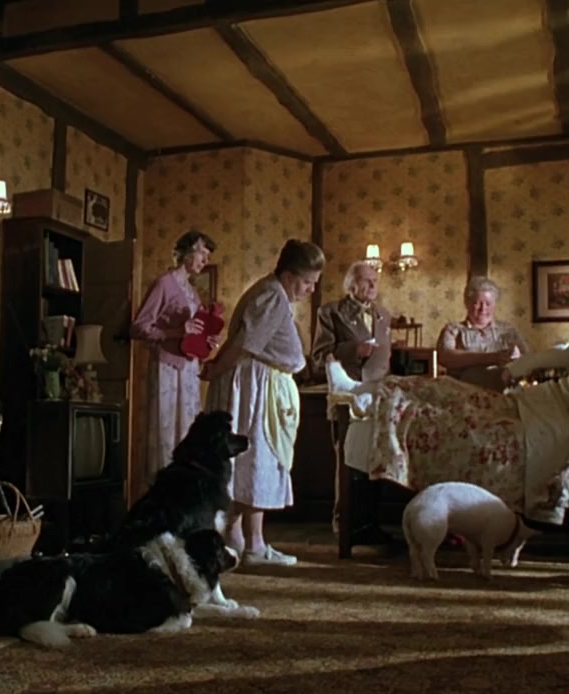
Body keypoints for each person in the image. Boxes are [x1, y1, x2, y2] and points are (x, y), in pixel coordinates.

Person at [326, 292, 569, 525]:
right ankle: (359, 392)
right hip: (525, 401)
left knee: (447, 419)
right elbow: (555, 355)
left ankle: (364, 399)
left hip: (543, 425)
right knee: (441, 387)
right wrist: (513, 370)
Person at [202, 239, 326, 566]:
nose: (311, 289)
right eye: (308, 282)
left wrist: (218, 366)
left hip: (259, 382)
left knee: (253, 459)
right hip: (255, 388)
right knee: (256, 456)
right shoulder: (271, 296)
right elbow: (244, 344)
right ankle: (250, 543)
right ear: (288, 276)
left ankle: (240, 540)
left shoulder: (273, 293)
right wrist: (217, 368)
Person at [130, 230, 218, 482]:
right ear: (186, 252)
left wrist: (205, 341)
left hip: (189, 370)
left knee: (188, 431)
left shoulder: (192, 291)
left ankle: (185, 489)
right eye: (202, 253)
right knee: (166, 430)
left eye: (208, 255)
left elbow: (192, 334)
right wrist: (177, 331)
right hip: (167, 368)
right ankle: (164, 489)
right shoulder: (164, 283)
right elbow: (138, 328)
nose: (205, 260)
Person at [436, 277, 530, 390]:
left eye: (488, 304)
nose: (483, 308)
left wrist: (515, 358)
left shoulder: (508, 330)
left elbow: (527, 359)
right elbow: (445, 357)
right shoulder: (453, 330)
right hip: (464, 391)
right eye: (477, 303)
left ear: (495, 305)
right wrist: (493, 357)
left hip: (504, 391)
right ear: (467, 303)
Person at [311, 261, 392, 382]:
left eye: (375, 281)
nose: (372, 285)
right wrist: (356, 350)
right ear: (351, 285)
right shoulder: (331, 312)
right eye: (366, 280)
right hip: (348, 385)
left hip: (379, 386)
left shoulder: (384, 314)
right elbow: (319, 358)